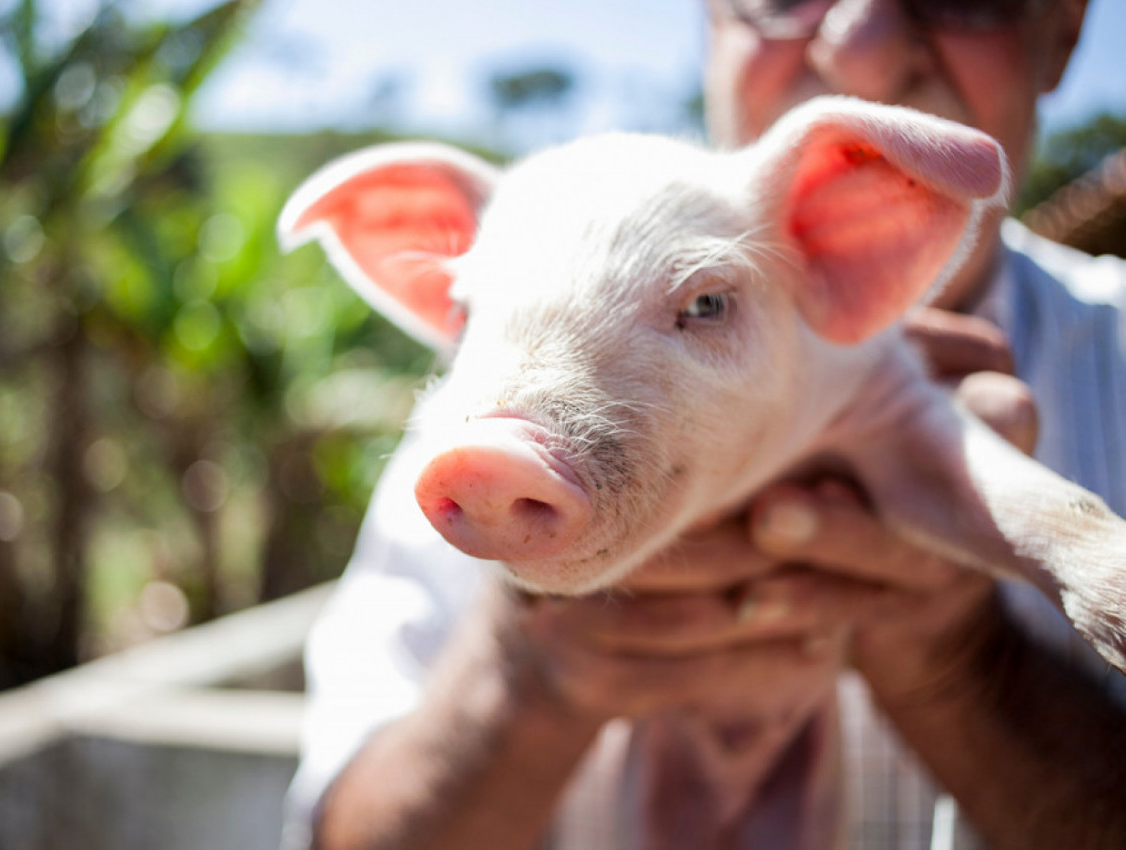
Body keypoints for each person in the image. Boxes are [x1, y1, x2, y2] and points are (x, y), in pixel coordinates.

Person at [280, 0, 1126, 848]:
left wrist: (963, 666)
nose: (860, 48)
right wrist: (523, 677)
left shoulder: (1038, 359)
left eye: (706, 304)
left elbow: (945, 463)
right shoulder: (474, 427)